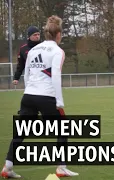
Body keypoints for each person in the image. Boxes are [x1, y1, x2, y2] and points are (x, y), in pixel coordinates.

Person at [1, 15, 79, 179]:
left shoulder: (34, 50)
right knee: (63, 129)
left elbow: (27, 74)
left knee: (20, 133)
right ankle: (61, 167)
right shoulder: (58, 51)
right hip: (46, 97)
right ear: (58, 34)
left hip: (28, 96)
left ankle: (8, 167)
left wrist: (29, 90)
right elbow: (56, 76)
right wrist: (59, 101)